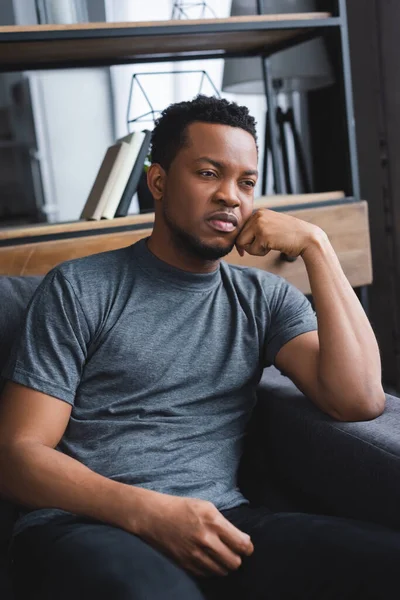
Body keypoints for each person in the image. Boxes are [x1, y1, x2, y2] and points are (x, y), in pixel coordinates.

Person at [0, 94, 398, 600]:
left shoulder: (263, 299)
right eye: (209, 173)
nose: (231, 197)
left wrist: (318, 246)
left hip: (220, 521)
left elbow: (360, 398)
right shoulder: (80, 288)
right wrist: (151, 512)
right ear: (159, 182)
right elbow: (16, 456)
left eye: (246, 182)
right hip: (82, 527)